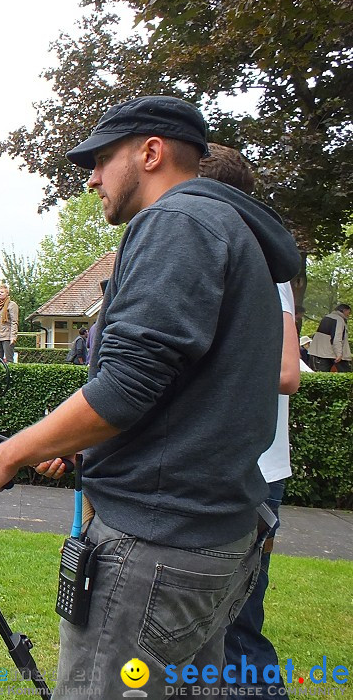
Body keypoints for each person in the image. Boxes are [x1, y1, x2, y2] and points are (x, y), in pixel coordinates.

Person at [0, 96, 300, 696]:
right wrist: (81, 447)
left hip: (157, 549)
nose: (91, 177)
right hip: (213, 535)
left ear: (150, 152)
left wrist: (10, 452)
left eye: (100, 159)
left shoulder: (177, 224)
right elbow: (177, 392)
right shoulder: (230, 229)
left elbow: (125, 386)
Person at [201, 143, 302, 694]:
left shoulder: (260, 264)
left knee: (236, 624)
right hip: (246, 465)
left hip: (251, 469)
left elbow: (287, 372)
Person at [307, 304, 351, 372]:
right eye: (348, 312)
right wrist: (339, 354)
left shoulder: (326, 317)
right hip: (332, 352)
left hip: (321, 352)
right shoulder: (338, 320)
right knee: (346, 373)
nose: (349, 314)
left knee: (322, 374)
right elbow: (336, 337)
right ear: (344, 310)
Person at [0, 283, 18, 363]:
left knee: (9, 360)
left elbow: (14, 321)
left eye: (2, 292)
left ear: (7, 293)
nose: (0, 293)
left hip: (7, 335)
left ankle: (10, 375)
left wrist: (13, 336)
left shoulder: (12, 305)